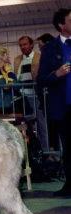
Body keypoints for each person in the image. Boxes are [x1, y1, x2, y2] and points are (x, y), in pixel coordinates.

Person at [37, 8, 71, 197]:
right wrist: (57, 74)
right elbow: (41, 79)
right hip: (63, 107)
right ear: (61, 25)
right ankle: (70, 184)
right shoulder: (50, 49)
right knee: (68, 148)